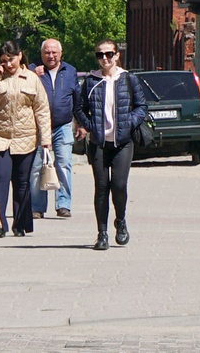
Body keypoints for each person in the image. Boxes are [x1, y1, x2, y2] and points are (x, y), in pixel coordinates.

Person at [73, 38, 150, 251]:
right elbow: (79, 108)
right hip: (98, 142)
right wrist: (89, 126)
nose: (105, 58)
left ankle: (121, 221)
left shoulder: (128, 79)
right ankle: (102, 234)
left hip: (122, 142)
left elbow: (142, 106)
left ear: (117, 55)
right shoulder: (91, 81)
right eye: (100, 55)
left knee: (119, 185)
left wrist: (128, 123)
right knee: (101, 187)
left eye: (109, 54)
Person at [0, 42, 53, 238]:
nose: (8, 64)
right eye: (4, 61)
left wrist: (45, 139)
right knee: (1, 178)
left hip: (25, 138)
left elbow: (42, 110)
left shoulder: (32, 79)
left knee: (21, 182)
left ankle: (21, 224)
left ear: (20, 56)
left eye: (11, 59)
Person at [32, 37, 80, 221]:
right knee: (37, 167)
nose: (51, 56)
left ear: (61, 54)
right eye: (47, 52)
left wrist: (81, 123)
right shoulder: (31, 70)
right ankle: (37, 207)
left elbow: (77, 99)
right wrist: (33, 75)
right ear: (41, 54)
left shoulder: (70, 71)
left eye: (54, 52)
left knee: (64, 163)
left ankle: (63, 205)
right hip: (38, 127)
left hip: (63, 125)